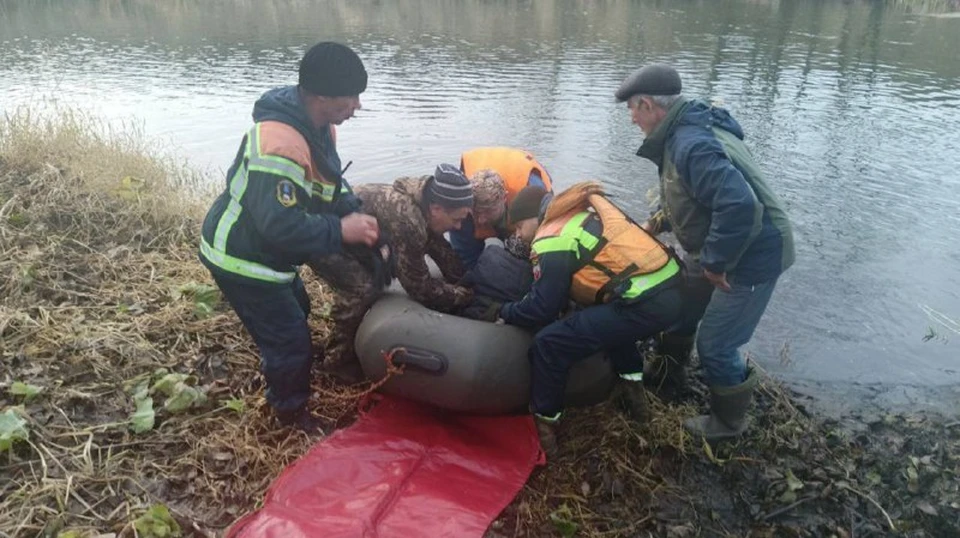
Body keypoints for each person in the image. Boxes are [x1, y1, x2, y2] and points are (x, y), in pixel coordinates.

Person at [198, 42, 379, 432]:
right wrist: (341, 230)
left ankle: (282, 360)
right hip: (241, 256)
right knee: (291, 340)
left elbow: (329, 178)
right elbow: (278, 225)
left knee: (298, 309)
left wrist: (350, 206)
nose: (357, 106)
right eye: (351, 98)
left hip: (269, 255)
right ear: (321, 96)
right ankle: (290, 415)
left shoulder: (319, 127)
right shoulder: (280, 142)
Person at [615, 63, 795, 440]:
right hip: (723, 241)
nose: (632, 118)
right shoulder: (680, 131)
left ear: (648, 104)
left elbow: (740, 206)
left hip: (754, 253)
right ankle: (667, 374)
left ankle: (728, 423)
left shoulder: (691, 144)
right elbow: (691, 195)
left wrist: (714, 264)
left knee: (717, 343)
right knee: (680, 303)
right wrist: (660, 220)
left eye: (632, 108)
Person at [475, 182, 684, 457]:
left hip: (643, 302)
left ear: (530, 219)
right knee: (611, 328)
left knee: (549, 343)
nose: (519, 235)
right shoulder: (578, 214)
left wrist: (503, 311)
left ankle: (545, 429)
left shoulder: (551, 237)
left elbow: (541, 309)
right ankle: (636, 401)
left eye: (518, 228)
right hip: (668, 288)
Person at [313, 164, 477, 382]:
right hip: (325, 237)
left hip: (355, 235)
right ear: (437, 209)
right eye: (456, 219)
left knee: (373, 278)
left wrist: (467, 279)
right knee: (361, 289)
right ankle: (336, 363)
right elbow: (419, 288)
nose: (458, 227)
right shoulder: (408, 220)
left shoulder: (425, 201)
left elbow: (439, 248)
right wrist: (462, 297)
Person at [450, 147, 554, 269]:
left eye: (487, 211)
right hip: (484, 180)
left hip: (521, 171)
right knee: (463, 256)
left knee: (523, 251)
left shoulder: (533, 192)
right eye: (476, 212)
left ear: (504, 198)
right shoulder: (464, 201)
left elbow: (545, 241)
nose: (481, 220)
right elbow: (463, 250)